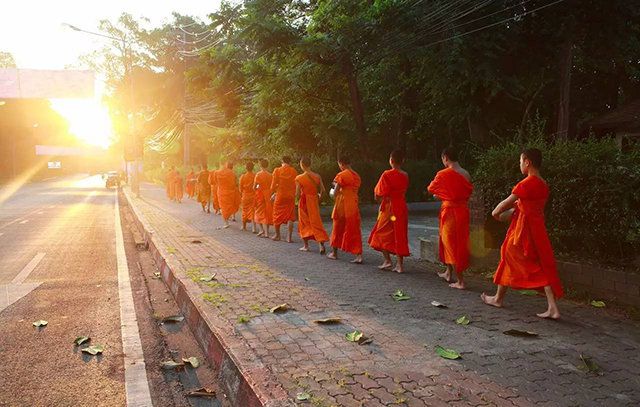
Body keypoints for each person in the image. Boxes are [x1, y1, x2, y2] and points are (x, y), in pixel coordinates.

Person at [481, 148, 563, 319]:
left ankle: (498, 298)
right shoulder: (543, 184)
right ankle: (551, 307)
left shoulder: (526, 183)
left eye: (520, 161)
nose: (519, 165)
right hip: (537, 229)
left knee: (517, 260)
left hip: (523, 231)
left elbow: (507, 202)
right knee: (530, 262)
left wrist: (495, 213)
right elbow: (528, 206)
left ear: (527, 162)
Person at [427, 146, 473, 289]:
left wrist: (441, 195)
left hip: (450, 212)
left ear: (445, 157)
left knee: (451, 244)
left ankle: (460, 281)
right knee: (458, 242)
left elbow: (431, 189)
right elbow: (466, 193)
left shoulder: (443, 173)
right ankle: (448, 272)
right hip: (462, 211)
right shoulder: (466, 174)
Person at [368, 149, 410, 273]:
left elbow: (378, 193)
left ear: (391, 160)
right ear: (403, 161)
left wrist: (378, 200)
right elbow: (404, 190)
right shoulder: (405, 175)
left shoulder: (386, 174)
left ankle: (387, 261)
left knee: (380, 233)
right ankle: (400, 265)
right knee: (400, 233)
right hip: (401, 206)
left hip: (389, 206)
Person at [327, 155, 363, 264]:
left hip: (342, 204)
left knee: (337, 227)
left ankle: (334, 253)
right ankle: (358, 255)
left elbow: (334, 192)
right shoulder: (357, 176)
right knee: (354, 229)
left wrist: (333, 193)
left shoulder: (342, 175)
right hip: (353, 204)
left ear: (341, 164)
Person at [295, 157, 329, 253]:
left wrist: (297, 200)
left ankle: (306, 246)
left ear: (302, 165)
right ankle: (321, 245)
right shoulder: (317, 176)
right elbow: (323, 190)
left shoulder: (299, 178)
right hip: (313, 200)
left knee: (304, 222)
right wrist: (318, 198)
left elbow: (297, 194)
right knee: (316, 221)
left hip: (304, 201)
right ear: (310, 164)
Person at [271, 156, 298, 242]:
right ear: (290, 162)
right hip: (290, 196)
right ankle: (289, 237)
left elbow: (273, 185)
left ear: (281, 161)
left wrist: (274, 192)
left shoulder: (277, 170)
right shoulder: (293, 171)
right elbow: (296, 184)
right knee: (290, 216)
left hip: (280, 195)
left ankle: (277, 235)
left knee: (276, 214)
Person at [216, 160, 240, 228]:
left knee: (223, 207)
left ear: (220, 164)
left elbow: (215, 182)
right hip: (230, 192)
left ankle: (226, 223)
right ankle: (232, 216)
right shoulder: (232, 173)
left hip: (221, 192)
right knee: (231, 205)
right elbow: (235, 183)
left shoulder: (217, 172)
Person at [253, 159, 274, 238]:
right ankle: (266, 232)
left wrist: (258, 187)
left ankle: (263, 231)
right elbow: (273, 186)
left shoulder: (258, 175)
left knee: (259, 212)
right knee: (267, 212)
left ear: (260, 165)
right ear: (267, 165)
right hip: (268, 194)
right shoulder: (271, 175)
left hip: (260, 194)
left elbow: (255, 186)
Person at [239, 161, 257, 232]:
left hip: (245, 195)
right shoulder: (255, 176)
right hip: (253, 195)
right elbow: (258, 185)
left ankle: (244, 227)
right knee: (252, 211)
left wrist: (241, 193)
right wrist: (256, 189)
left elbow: (240, 188)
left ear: (246, 168)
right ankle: (253, 228)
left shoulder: (243, 177)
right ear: (253, 168)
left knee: (244, 210)